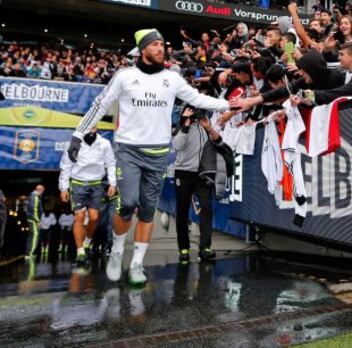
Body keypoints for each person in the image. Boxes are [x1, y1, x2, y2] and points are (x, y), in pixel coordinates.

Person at [66, 28, 241, 285]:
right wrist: (78, 134)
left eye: (162, 45)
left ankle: (137, 264)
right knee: (127, 203)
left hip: (158, 153)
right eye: (156, 44)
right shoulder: (125, 76)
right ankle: (116, 251)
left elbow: (198, 98)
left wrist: (233, 105)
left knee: (147, 210)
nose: (161, 49)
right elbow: (100, 104)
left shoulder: (172, 78)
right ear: (143, 49)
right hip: (129, 150)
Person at [59, 127, 116, 270]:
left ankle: (87, 242)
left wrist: (112, 183)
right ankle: (80, 252)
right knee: (79, 217)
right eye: (87, 125)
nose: (91, 128)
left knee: (94, 217)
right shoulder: (74, 143)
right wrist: (64, 188)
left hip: (96, 184)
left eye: (93, 125)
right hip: (77, 184)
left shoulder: (104, 144)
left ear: (96, 129)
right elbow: (66, 166)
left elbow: (111, 164)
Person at [173, 107, 223, 263]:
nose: (197, 114)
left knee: (207, 208)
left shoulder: (205, 124)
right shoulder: (182, 125)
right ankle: (183, 248)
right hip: (183, 173)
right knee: (182, 210)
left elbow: (218, 140)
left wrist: (208, 126)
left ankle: (205, 248)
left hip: (202, 173)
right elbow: (177, 145)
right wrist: (186, 124)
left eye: (200, 111)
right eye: (194, 111)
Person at [25, 185, 45, 259]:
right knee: (35, 235)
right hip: (33, 219)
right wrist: (38, 220)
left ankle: (29, 253)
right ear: (40, 190)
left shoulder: (33, 196)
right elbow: (34, 210)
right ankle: (29, 253)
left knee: (31, 236)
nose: (43, 192)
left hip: (31, 219)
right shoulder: (35, 197)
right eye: (42, 191)